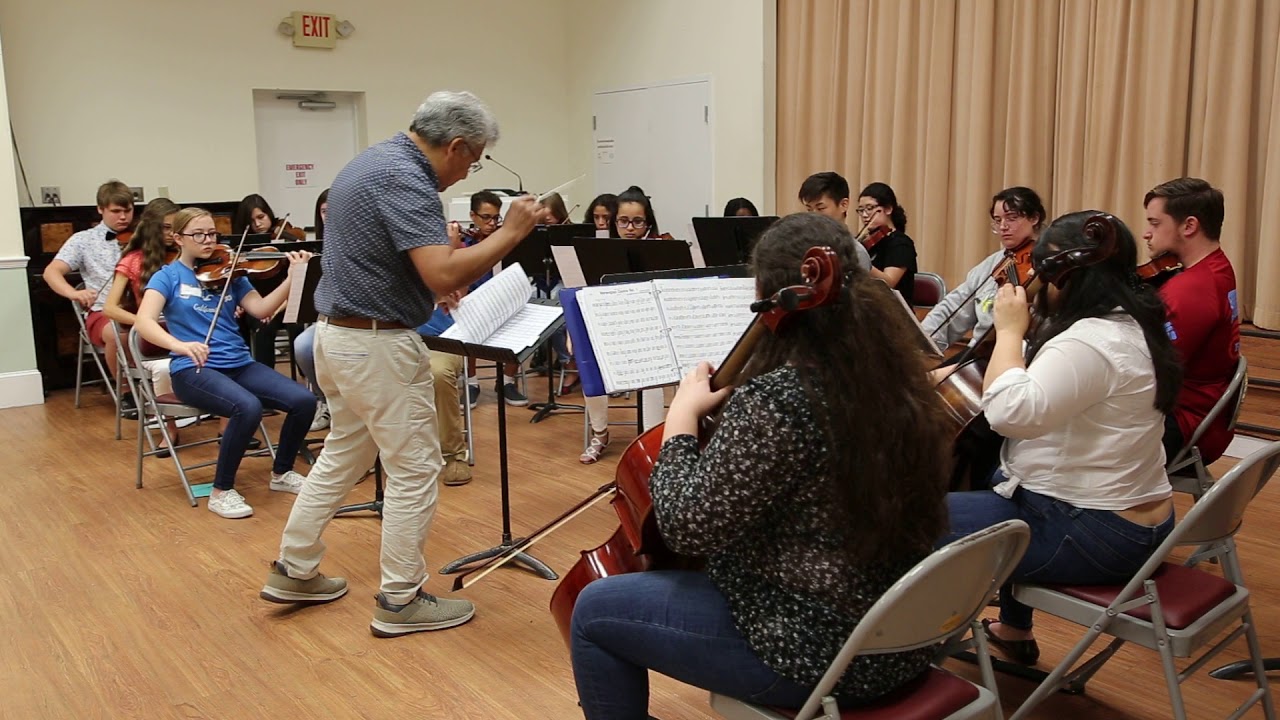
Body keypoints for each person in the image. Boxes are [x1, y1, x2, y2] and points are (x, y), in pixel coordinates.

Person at [569, 212, 954, 717]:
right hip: (904, 636)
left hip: (818, 656)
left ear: (771, 296)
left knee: (593, 609)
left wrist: (681, 417)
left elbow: (685, 527)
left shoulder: (779, 401)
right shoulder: (895, 377)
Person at [263, 91, 544, 636]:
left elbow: (383, 262)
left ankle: (294, 569)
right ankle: (400, 599)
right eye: (473, 160)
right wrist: (511, 232)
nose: (466, 174)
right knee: (415, 468)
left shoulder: (374, 160)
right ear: (455, 145)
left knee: (342, 455)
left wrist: (428, 287)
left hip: (338, 335)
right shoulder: (407, 177)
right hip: (377, 346)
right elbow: (442, 272)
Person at [944, 211, 1181, 666]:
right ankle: (1013, 629)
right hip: (1141, 523)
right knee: (1003, 474)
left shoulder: (1089, 342)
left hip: (1097, 534)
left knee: (910, 523)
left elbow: (1009, 414)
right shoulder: (1132, 322)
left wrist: (1009, 331)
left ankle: (903, 650)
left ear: (1063, 276)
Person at [134, 208, 317, 519]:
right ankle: (221, 491)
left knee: (304, 400)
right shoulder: (167, 277)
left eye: (212, 233)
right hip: (192, 369)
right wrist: (180, 345)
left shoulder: (231, 273)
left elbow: (261, 309)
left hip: (239, 364)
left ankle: (282, 472)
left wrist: (293, 277)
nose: (208, 240)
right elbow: (144, 322)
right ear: (178, 238)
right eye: (198, 234)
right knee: (247, 407)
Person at [1142, 177, 1241, 465]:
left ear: (1189, 226)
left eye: (1155, 223)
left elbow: (1150, 371)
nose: (1147, 233)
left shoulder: (1191, 289)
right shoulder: (1217, 266)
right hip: (1207, 414)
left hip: (1183, 425)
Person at [580, 186, 667, 464]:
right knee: (587, 358)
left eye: (637, 222)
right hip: (611, 324)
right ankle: (600, 433)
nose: (630, 228)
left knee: (653, 366)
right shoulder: (597, 252)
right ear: (614, 221)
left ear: (648, 223)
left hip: (650, 326)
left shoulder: (662, 249)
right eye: (623, 221)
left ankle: (652, 440)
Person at [42, 180, 136, 411]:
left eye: (128, 210)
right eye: (116, 211)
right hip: (102, 312)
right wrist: (74, 293)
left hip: (141, 308)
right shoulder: (83, 240)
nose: (123, 217)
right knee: (118, 334)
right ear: (100, 209)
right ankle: (127, 392)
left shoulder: (142, 238)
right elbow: (51, 272)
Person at [922, 186, 1046, 352]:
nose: (1003, 226)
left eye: (1011, 218)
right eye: (998, 220)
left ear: (1034, 218)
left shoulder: (1046, 264)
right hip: (980, 352)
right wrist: (923, 340)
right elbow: (953, 307)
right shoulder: (992, 264)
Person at [103, 198, 182, 450]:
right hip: (154, 338)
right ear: (151, 228)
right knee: (164, 368)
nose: (172, 234)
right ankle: (169, 428)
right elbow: (110, 308)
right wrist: (144, 321)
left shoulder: (185, 257)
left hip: (186, 331)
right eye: (166, 228)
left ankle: (227, 426)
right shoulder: (134, 260)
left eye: (176, 228)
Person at [458, 190, 528, 407]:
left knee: (523, 322)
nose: (491, 223)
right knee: (466, 320)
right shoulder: (465, 242)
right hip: (474, 299)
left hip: (504, 299)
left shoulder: (506, 240)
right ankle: (471, 383)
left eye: (496, 218)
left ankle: (507, 381)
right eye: (486, 217)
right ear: (473, 216)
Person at [856, 182, 917, 305]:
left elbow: (888, 283)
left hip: (892, 309)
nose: (864, 215)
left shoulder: (901, 244)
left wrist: (860, 261)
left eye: (869, 208)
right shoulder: (866, 241)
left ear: (888, 209)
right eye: (861, 210)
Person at [797, 172, 871, 270]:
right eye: (809, 209)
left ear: (843, 205)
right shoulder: (803, 247)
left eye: (821, 208)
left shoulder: (856, 253)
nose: (813, 216)